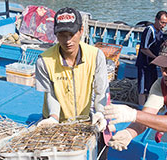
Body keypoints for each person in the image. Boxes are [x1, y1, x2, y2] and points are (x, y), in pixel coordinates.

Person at [35, 7, 110, 159]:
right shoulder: (44, 60)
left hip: (84, 120)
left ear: (81, 31)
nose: (68, 40)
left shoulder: (96, 56)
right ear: (55, 35)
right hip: (55, 119)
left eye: (72, 34)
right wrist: (53, 117)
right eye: (62, 35)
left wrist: (100, 112)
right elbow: (51, 93)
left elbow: (101, 90)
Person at [135, 11, 167, 106]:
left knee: (152, 86)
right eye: (162, 22)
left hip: (153, 64)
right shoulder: (149, 30)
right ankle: (141, 107)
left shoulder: (160, 32)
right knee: (142, 88)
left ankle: (149, 106)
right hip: (144, 64)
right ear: (156, 20)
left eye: (165, 23)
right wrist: (155, 58)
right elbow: (144, 48)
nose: (163, 25)